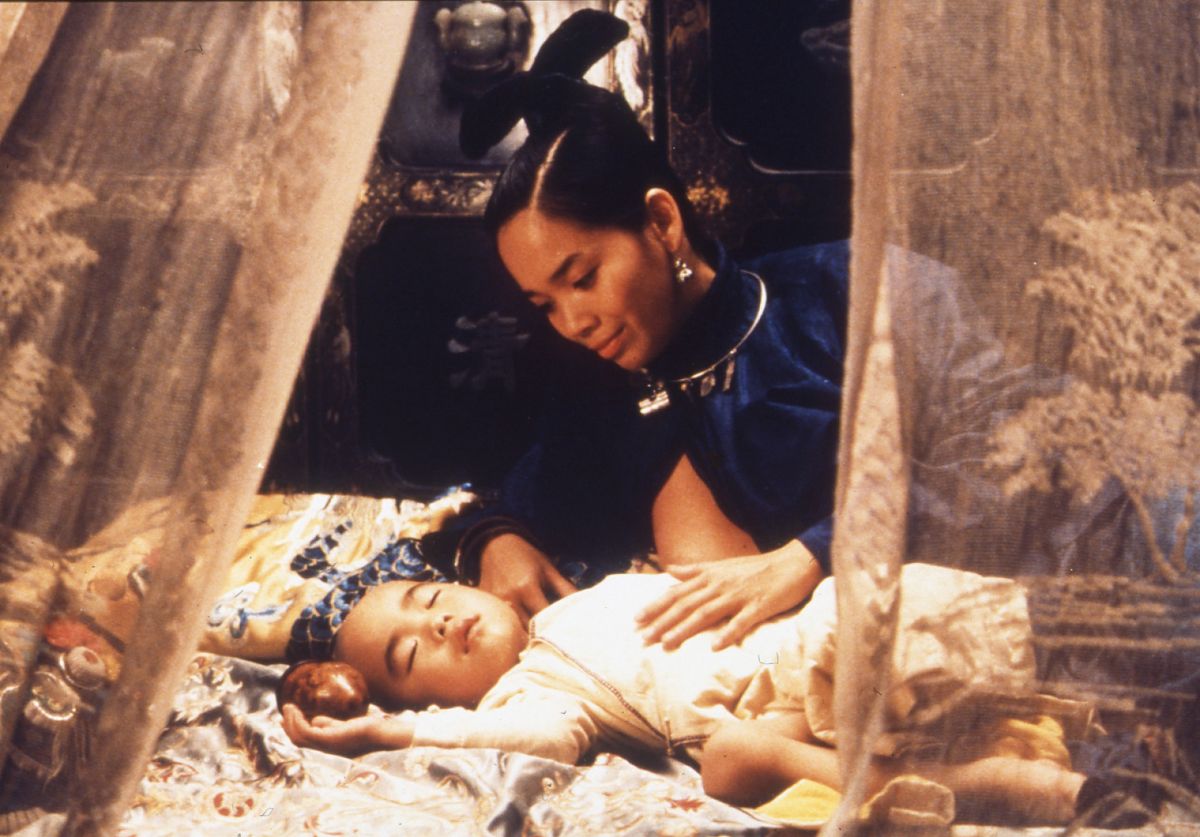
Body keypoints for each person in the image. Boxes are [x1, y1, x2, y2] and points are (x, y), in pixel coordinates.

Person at [425, 9, 844, 650]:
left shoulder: (840, 291)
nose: (573, 323)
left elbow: (1002, 461)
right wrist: (496, 540)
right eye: (544, 304)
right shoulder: (604, 389)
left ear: (661, 222)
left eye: (583, 277)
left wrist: (807, 558)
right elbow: (517, 498)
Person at [280, 563, 1123, 826]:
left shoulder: (579, 595)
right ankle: (1007, 782)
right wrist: (385, 735)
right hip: (784, 704)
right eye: (411, 655)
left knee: (875, 601)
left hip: (804, 644)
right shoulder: (529, 694)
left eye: (431, 600)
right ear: (428, 703)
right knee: (730, 758)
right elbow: (543, 745)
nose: (438, 626)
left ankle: (1095, 660)